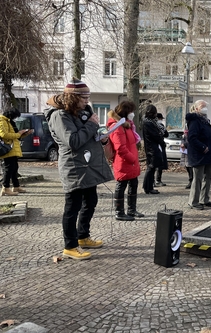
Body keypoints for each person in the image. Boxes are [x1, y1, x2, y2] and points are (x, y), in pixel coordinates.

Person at [45, 78, 114, 260]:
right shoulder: (59, 115)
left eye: (88, 97)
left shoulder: (81, 112)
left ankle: (83, 236)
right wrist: (91, 124)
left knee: (91, 201)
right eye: (84, 97)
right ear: (73, 97)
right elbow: (73, 141)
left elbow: (88, 134)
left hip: (87, 165)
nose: (87, 101)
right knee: (72, 207)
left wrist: (102, 138)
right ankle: (70, 245)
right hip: (74, 167)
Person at [107, 101, 143, 221]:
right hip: (124, 161)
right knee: (121, 185)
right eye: (131, 111)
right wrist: (132, 158)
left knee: (133, 184)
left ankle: (131, 209)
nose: (133, 113)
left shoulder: (127, 125)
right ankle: (119, 212)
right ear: (125, 112)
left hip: (131, 161)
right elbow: (120, 148)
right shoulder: (117, 127)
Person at [185, 100, 211, 210]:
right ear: (196, 109)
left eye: (205, 106)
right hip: (199, 154)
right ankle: (193, 201)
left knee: (208, 177)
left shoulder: (204, 120)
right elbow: (192, 138)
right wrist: (202, 147)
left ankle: (204, 199)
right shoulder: (195, 121)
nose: (205, 108)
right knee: (198, 179)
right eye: (202, 106)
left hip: (207, 154)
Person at [0, 108, 34, 196]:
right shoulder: (2, 121)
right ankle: (5, 188)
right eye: (15, 116)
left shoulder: (10, 122)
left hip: (13, 148)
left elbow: (16, 136)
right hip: (7, 148)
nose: (15, 119)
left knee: (14, 168)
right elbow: (3, 134)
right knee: (8, 168)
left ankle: (16, 186)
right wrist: (19, 134)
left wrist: (24, 134)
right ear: (10, 115)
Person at [142, 105, 164, 195]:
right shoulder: (148, 123)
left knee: (152, 168)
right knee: (151, 167)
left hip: (152, 147)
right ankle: (148, 187)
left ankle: (149, 186)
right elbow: (155, 135)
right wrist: (160, 137)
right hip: (152, 148)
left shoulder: (150, 122)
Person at [154, 113, 169, 187]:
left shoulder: (151, 125)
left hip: (154, 146)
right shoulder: (160, 126)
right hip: (160, 146)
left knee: (153, 165)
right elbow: (166, 134)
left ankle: (153, 181)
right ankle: (158, 180)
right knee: (160, 163)